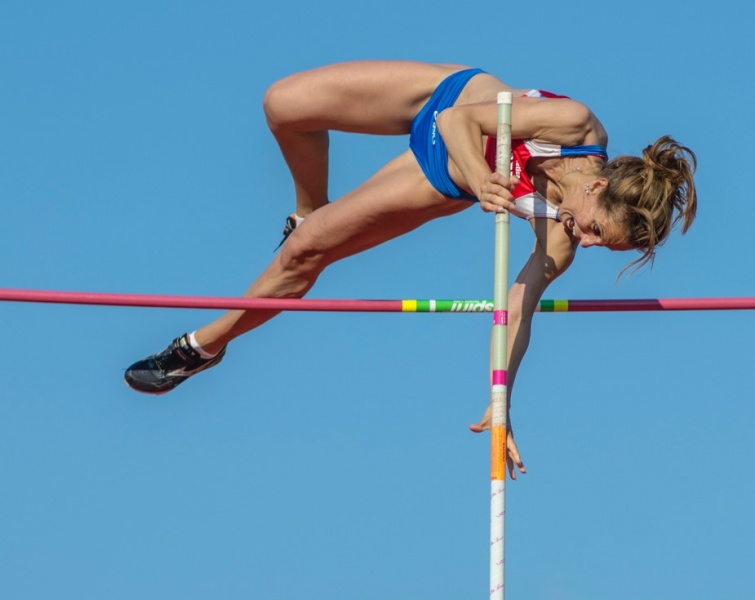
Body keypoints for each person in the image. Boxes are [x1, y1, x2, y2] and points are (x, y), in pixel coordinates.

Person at [124, 60, 697, 478]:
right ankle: (309, 208)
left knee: (303, 256)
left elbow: (517, 310)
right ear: (596, 188)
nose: (585, 242)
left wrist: (502, 400)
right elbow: (458, 122)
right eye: (596, 230)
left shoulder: (559, 239)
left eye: (599, 245)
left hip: (438, 176)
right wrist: (486, 180)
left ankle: (203, 347)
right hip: (445, 98)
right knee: (282, 106)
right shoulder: (573, 125)